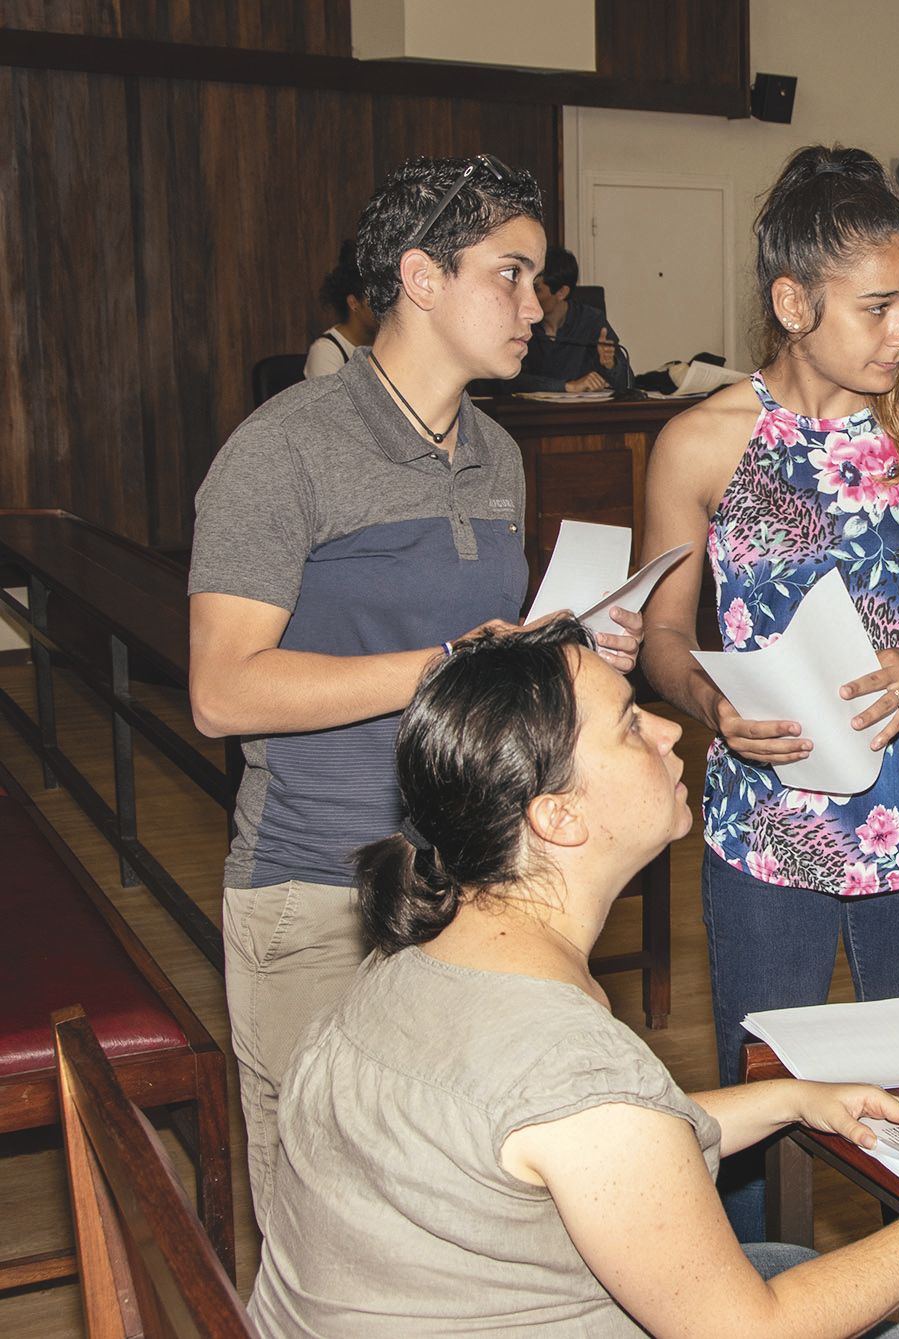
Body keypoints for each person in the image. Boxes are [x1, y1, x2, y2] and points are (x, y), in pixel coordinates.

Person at [248, 622, 899, 1338]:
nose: (670, 729)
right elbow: (749, 1330)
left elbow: (592, 1145)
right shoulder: (571, 1061)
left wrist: (792, 1096)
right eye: (631, 725)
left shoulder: (411, 967)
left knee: (778, 1252)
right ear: (557, 816)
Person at [188, 153, 646, 1222]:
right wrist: (445, 662)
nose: (537, 307)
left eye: (537, 280)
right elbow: (221, 692)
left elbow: (468, 670)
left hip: (464, 888)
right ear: (422, 277)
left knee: (456, 1204)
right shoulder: (282, 451)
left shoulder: (495, 451)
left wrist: (562, 656)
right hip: (318, 890)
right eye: (511, 274)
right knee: (328, 1217)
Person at [639, 143, 899, 1293]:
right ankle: (741, 1306)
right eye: (879, 305)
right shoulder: (702, 444)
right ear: (792, 304)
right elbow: (657, 638)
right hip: (764, 830)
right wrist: (709, 704)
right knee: (753, 1103)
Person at [510, 245, 632, 392]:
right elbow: (509, 380)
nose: (528, 296)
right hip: (528, 413)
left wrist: (611, 365)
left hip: (581, 413)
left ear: (562, 292)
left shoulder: (591, 320)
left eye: (536, 289)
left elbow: (629, 384)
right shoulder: (520, 321)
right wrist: (567, 387)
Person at [302, 239, 379, 379]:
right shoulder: (326, 351)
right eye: (374, 299)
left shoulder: (383, 343)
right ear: (353, 303)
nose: (383, 306)